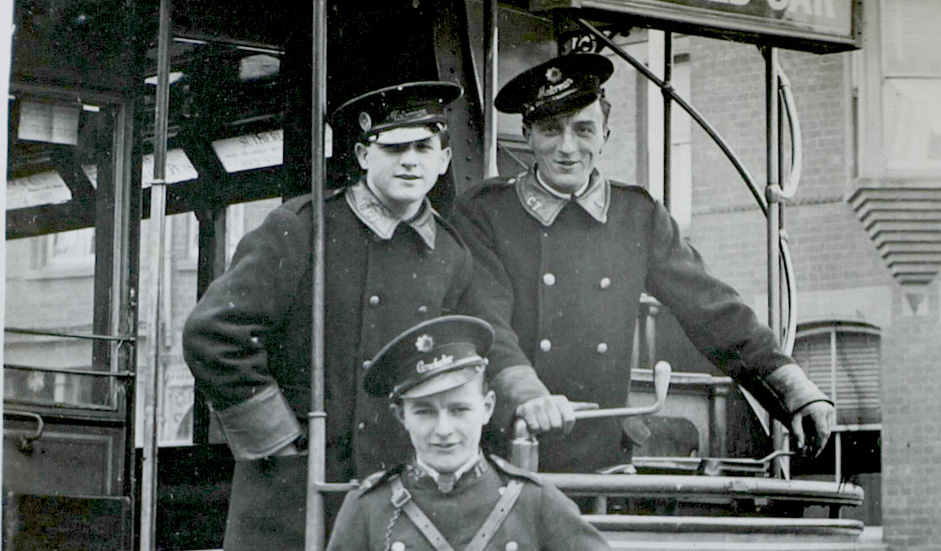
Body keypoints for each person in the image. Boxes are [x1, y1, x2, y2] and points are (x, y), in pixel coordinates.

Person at [451, 53, 834, 474]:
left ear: (605, 135)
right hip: (512, 450)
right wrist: (525, 395)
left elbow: (712, 309)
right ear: (528, 135)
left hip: (602, 456)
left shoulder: (637, 215)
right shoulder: (486, 213)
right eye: (549, 130)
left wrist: (793, 387)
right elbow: (486, 324)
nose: (567, 147)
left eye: (583, 130)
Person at [182, 81, 477, 551]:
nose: (410, 161)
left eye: (424, 147)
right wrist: (280, 441)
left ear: (443, 159)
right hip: (294, 492)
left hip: (395, 493)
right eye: (394, 147)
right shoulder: (303, 228)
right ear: (362, 155)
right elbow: (213, 333)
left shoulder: (451, 253)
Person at [326, 315, 612, 551]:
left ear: (487, 408)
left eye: (459, 410)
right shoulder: (368, 508)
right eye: (424, 412)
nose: (444, 430)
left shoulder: (534, 502)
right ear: (402, 417)